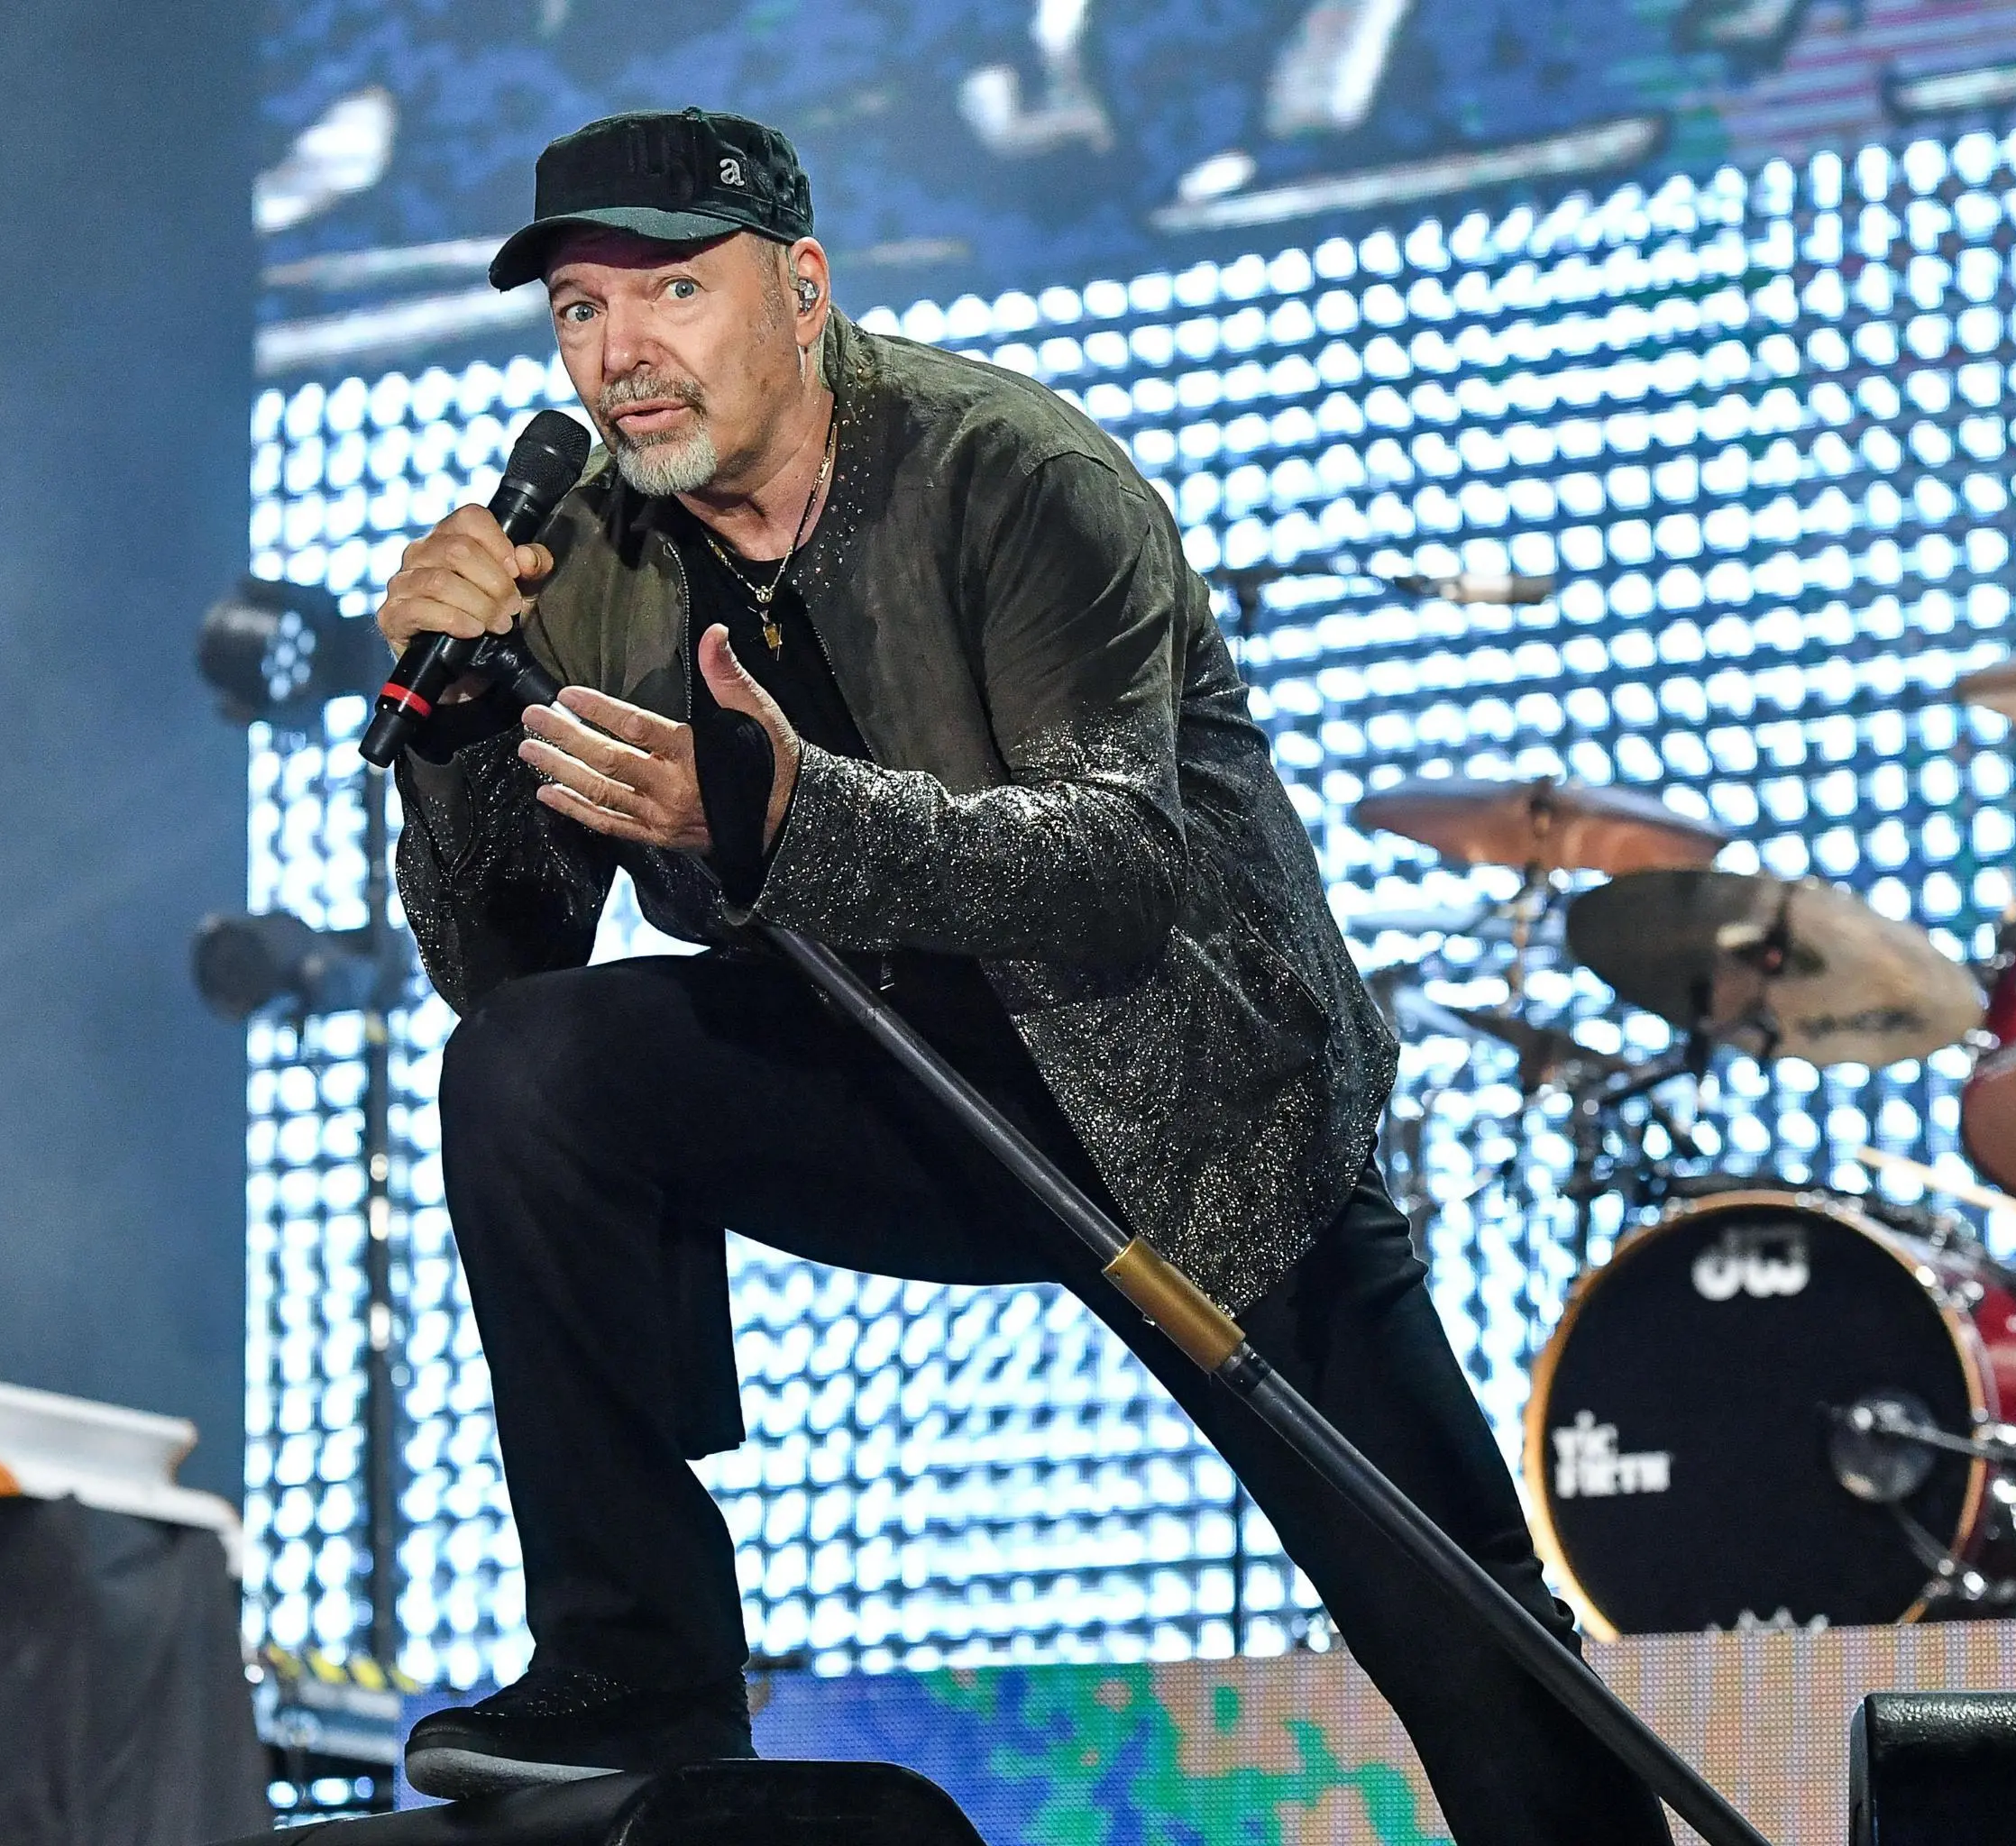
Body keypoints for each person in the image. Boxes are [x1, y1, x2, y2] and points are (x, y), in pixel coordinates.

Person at [374, 107, 1671, 1843]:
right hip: (889, 1081)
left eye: (671, 292)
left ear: (803, 289)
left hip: (1196, 1102)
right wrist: (447, 719)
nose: (621, 357)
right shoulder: (586, 558)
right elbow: (503, 965)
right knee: (531, 1072)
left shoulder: (1018, 476)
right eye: (579, 315)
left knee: (1471, 1647)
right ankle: (635, 1659)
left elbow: (1111, 871)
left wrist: (774, 814)